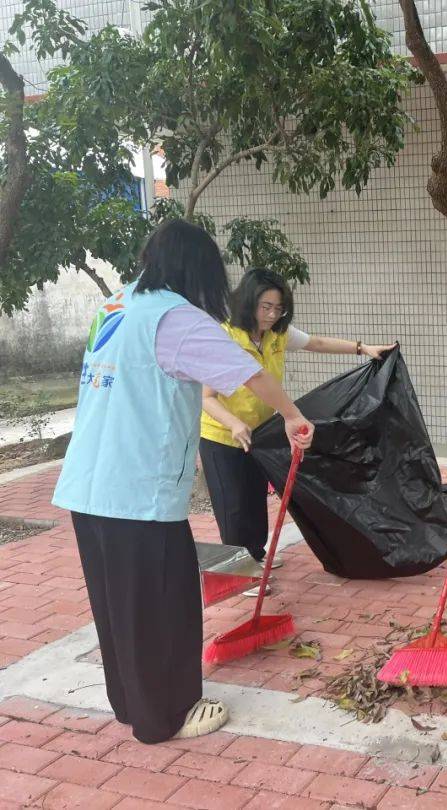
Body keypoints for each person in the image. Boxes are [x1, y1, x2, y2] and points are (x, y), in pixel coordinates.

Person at [52, 220, 314, 744]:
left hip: (88, 486)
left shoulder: (116, 305)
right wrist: (290, 415)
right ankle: (166, 715)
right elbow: (247, 371)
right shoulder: (176, 317)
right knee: (163, 603)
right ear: (199, 270)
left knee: (118, 606)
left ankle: (130, 702)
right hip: (138, 492)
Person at [198, 268, 394, 588]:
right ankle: (237, 576)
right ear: (248, 302)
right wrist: (233, 423)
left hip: (260, 434)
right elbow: (205, 397)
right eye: (266, 307)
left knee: (253, 502)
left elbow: (315, 342)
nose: (272, 314)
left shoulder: (277, 334)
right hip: (223, 437)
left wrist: (362, 348)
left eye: (278, 308)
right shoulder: (223, 337)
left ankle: (255, 556)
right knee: (233, 507)